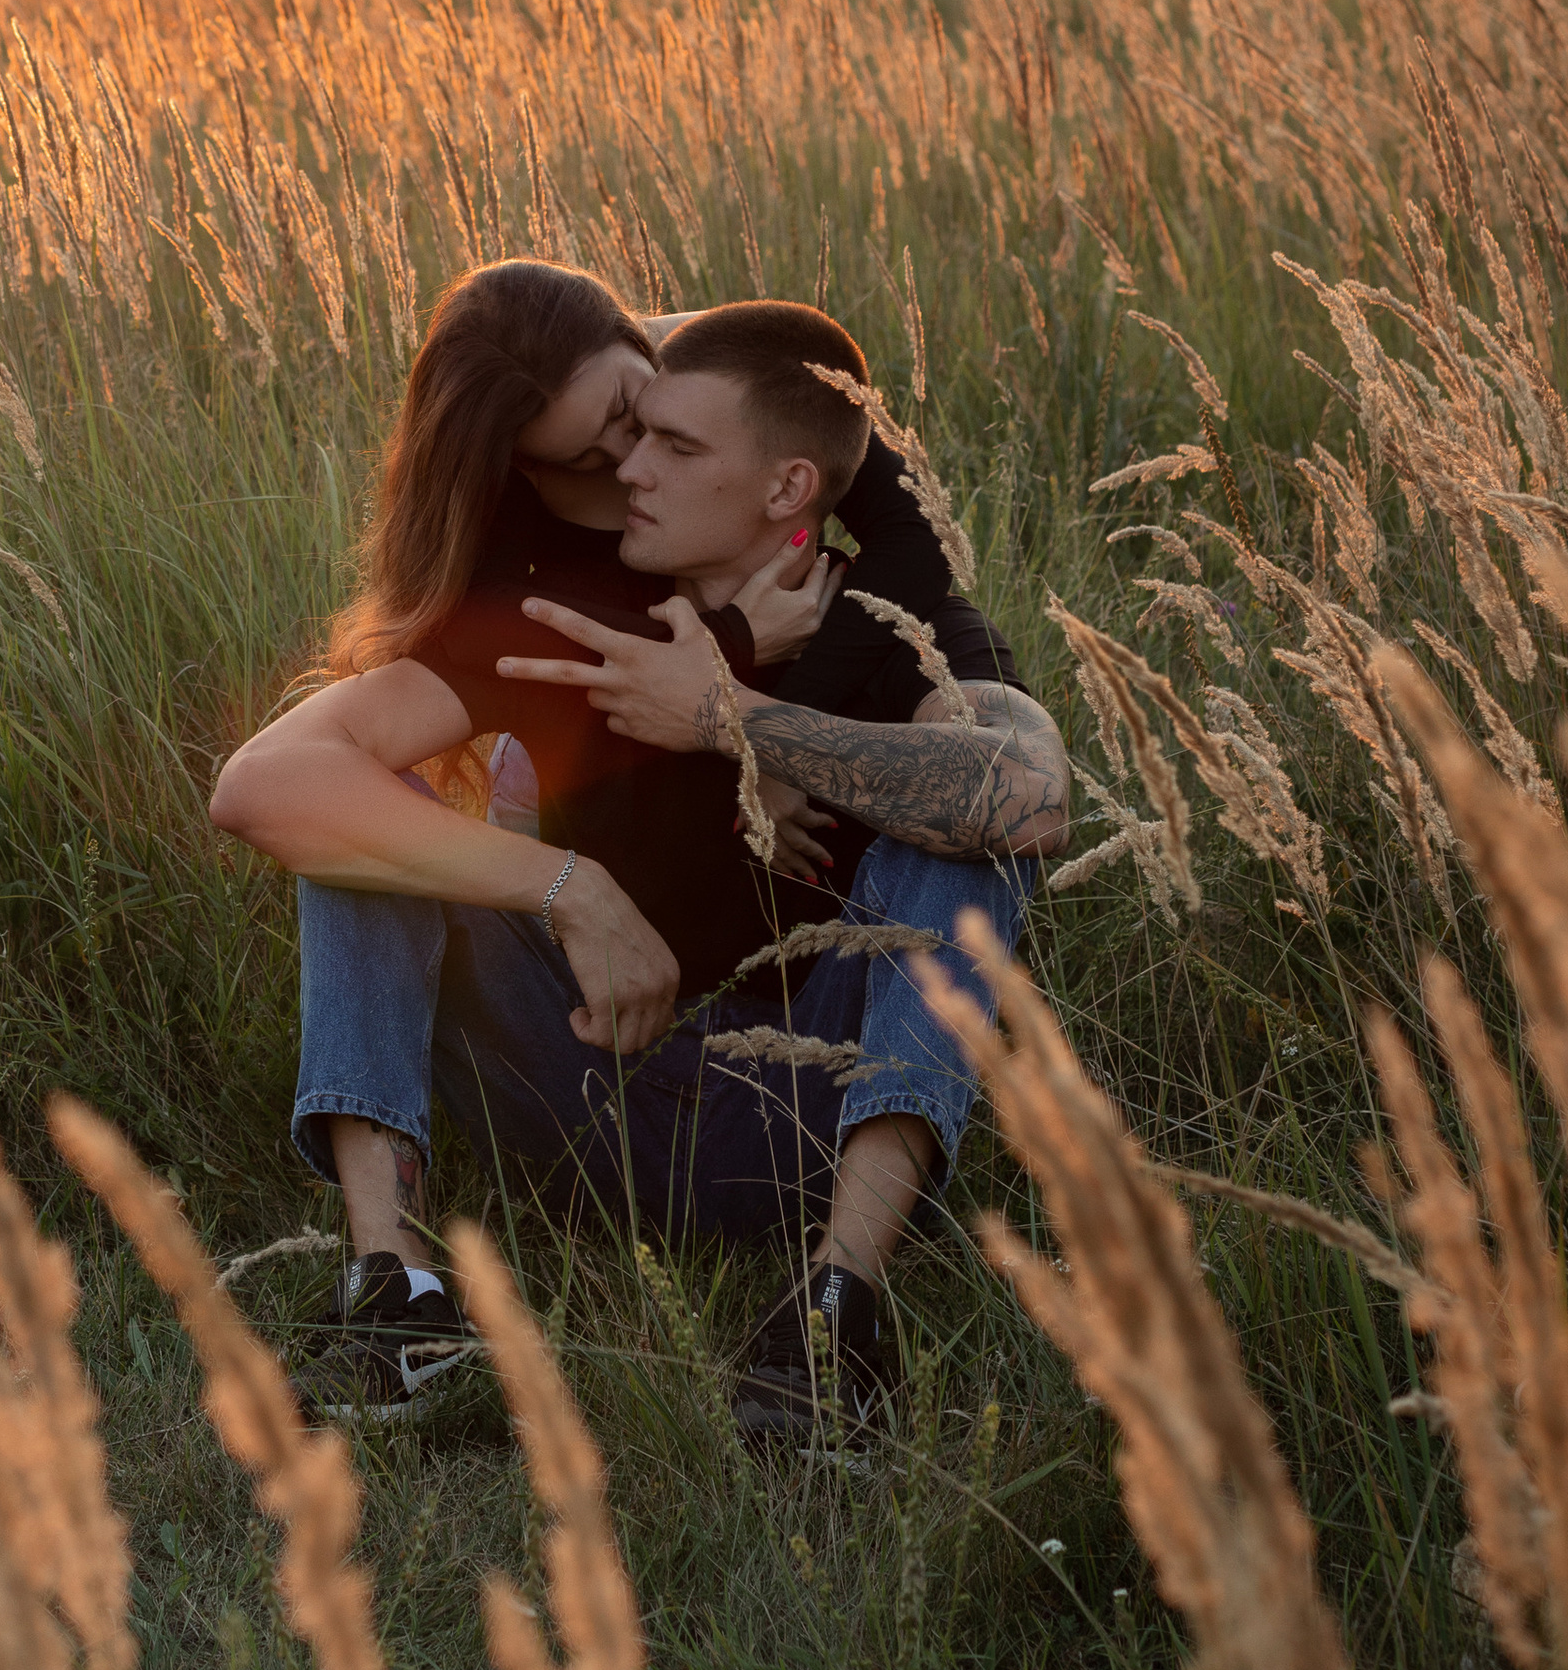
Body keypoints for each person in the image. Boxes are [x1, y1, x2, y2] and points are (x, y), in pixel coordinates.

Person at [210, 266, 1070, 1439]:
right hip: (585, 1078)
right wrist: (569, 888)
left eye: (659, 434)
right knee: (369, 818)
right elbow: (268, 784)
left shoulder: (892, 611)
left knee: (963, 828)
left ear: (786, 483)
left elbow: (1025, 800)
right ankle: (397, 1298)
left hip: (802, 1119)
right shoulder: (557, 619)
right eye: (600, 454)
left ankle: (836, 1311)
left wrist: (738, 718)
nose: (630, 470)